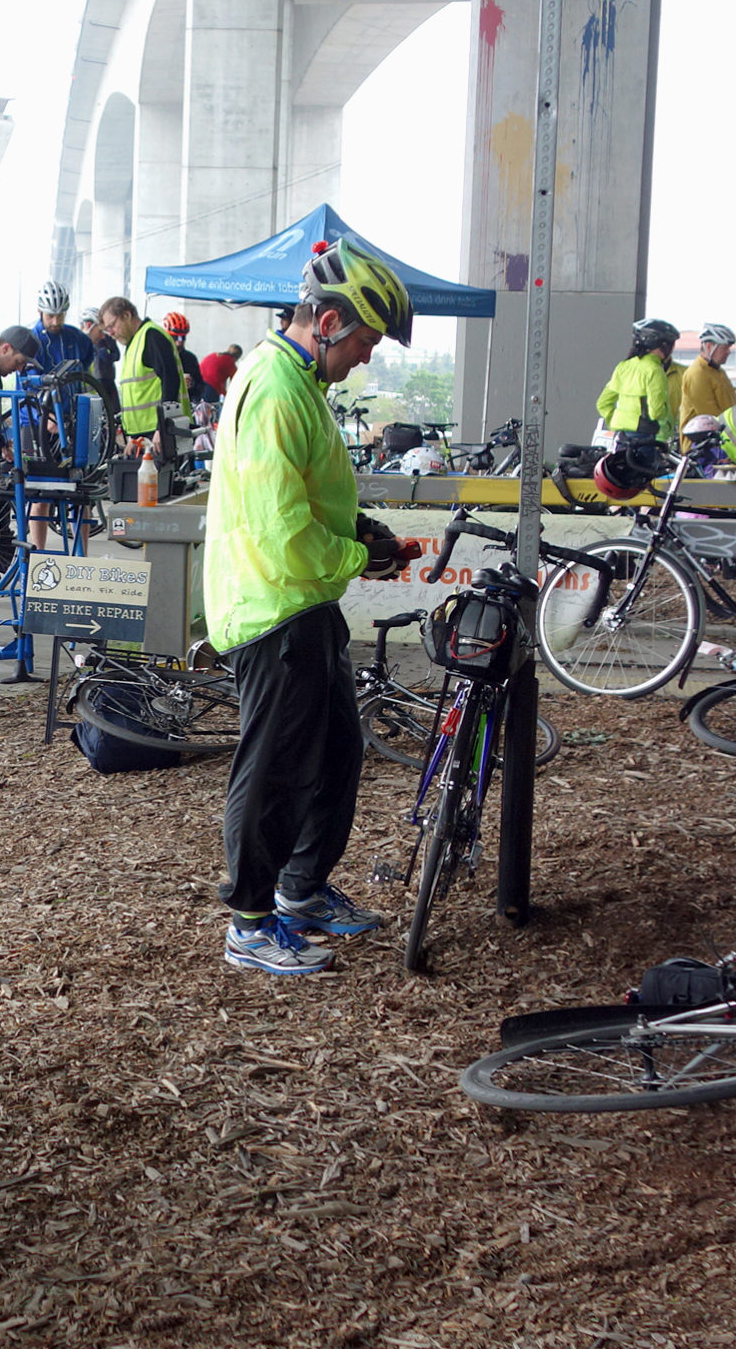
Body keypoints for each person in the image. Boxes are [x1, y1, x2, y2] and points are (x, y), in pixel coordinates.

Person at [205, 243, 416, 976]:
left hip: (303, 598)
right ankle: (250, 923)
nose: (364, 358)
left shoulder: (299, 384)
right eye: (363, 342)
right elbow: (280, 530)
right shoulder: (273, 387)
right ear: (327, 321)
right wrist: (364, 557)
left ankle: (301, 891)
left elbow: (305, 499)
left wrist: (360, 533)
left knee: (334, 756)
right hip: (272, 601)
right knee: (276, 768)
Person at [99, 296, 188, 492]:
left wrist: (162, 429)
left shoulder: (151, 337)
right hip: (144, 439)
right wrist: (133, 437)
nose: (111, 333)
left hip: (158, 436)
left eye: (112, 325)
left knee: (156, 499)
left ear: (127, 315)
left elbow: (170, 381)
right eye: (107, 329)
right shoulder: (134, 343)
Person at [596, 318, 678, 449]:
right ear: (661, 345)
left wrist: (616, 420)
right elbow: (656, 413)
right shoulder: (654, 370)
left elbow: (603, 403)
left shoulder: (624, 366)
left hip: (621, 437)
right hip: (646, 437)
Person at [673, 324, 736, 434]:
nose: (728, 352)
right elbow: (710, 416)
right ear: (709, 346)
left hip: (724, 438)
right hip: (702, 443)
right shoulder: (697, 373)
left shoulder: (718, 371)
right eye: (725, 348)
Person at [31, 281, 96, 376]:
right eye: (50, 316)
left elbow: (88, 358)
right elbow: (28, 381)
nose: (55, 322)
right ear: (40, 312)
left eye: (60, 316)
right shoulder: (31, 342)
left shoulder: (77, 337)